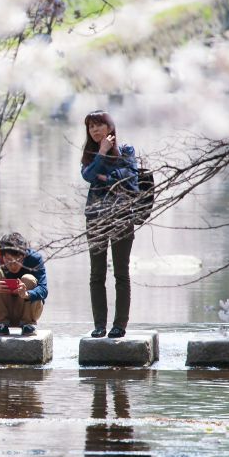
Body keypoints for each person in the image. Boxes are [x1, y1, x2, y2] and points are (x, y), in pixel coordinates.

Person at [80, 110, 140, 339]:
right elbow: (88, 175)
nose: (94, 130)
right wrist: (102, 153)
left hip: (122, 216)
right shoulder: (89, 154)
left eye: (98, 125)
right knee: (96, 273)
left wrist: (105, 177)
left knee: (121, 272)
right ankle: (99, 325)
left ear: (109, 127)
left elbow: (130, 178)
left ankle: (119, 325)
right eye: (90, 127)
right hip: (95, 218)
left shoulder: (126, 150)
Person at [0, 232, 48, 336]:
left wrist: (27, 294)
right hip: (3, 308)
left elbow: (43, 290)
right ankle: (1, 324)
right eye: (9, 261)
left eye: (18, 261)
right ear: (1, 255)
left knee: (28, 278)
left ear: (24, 255)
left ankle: (27, 324)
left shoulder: (34, 259)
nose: (14, 266)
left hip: (28, 310)